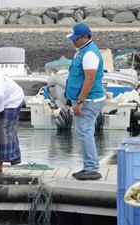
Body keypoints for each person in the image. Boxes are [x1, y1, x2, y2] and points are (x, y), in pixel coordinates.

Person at [65, 23, 106, 180]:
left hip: (89, 100)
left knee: (84, 131)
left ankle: (92, 168)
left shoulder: (89, 54)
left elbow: (89, 80)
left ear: (84, 37)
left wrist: (80, 101)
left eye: (75, 39)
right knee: (84, 131)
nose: (73, 41)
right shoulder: (82, 51)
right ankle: (89, 166)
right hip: (85, 99)